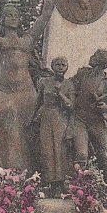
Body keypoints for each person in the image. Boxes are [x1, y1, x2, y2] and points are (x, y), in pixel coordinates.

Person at [0, 0, 55, 191]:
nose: (13, 18)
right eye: (8, 15)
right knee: (3, 122)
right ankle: (5, 173)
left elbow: (45, 15)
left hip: (26, 91)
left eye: (16, 15)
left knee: (31, 132)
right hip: (5, 88)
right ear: (3, 19)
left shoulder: (28, 39)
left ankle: (32, 178)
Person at [69, 49, 107, 186]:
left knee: (103, 154)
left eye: (95, 55)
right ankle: (79, 187)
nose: (91, 56)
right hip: (79, 119)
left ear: (101, 62)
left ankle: (105, 186)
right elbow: (69, 85)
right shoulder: (83, 73)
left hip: (96, 121)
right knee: (81, 154)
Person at [32, 56, 76, 192]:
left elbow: (71, 105)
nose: (61, 67)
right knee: (47, 150)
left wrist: (60, 94)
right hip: (46, 118)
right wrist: (32, 118)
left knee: (60, 151)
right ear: (52, 66)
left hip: (61, 118)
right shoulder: (45, 82)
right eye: (58, 64)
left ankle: (62, 183)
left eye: (63, 64)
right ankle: (50, 183)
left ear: (67, 67)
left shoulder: (69, 84)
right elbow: (38, 101)